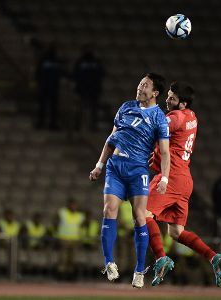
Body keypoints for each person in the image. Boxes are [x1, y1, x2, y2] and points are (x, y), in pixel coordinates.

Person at [89, 73, 170, 288]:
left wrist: (165, 177)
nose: (140, 87)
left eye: (145, 85)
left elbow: (164, 150)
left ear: (155, 93)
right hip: (115, 166)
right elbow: (111, 138)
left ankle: (139, 270)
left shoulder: (159, 117)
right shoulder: (125, 107)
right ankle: (109, 263)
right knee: (109, 210)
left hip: (137, 170)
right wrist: (99, 165)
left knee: (139, 217)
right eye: (140, 83)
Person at [145, 82, 221, 287]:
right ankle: (214, 257)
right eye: (168, 96)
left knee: (143, 213)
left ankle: (160, 258)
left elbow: (160, 128)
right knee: (176, 232)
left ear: (182, 104)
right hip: (185, 180)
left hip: (170, 176)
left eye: (172, 98)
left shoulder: (176, 116)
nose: (167, 100)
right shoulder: (192, 116)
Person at [72, 44, 105, 131]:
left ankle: (93, 126)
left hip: (94, 89)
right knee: (80, 108)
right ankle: (77, 126)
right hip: (82, 90)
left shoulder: (96, 62)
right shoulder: (80, 62)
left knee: (93, 110)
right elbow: (75, 75)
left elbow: (102, 74)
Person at [35, 42, 66, 130]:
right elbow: (38, 74)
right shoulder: (43, 60)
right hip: (44, 87)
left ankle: (52, 124)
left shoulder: (56, 61)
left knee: (53, 108)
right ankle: (41, 123)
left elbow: (61, 73)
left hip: (54, 88)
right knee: (42, 107)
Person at [55, 198, 85, 278]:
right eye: (71, 205)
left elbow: (81, 228)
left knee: (72, 259)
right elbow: (55, 222)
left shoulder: (80, 216)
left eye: (74, 205)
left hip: (74, 240)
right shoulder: (62, 212)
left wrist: (80, 238)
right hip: (64, 239)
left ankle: (70, 275)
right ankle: (61, 274)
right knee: (63, 258)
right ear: (68, 205)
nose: (73, 206)